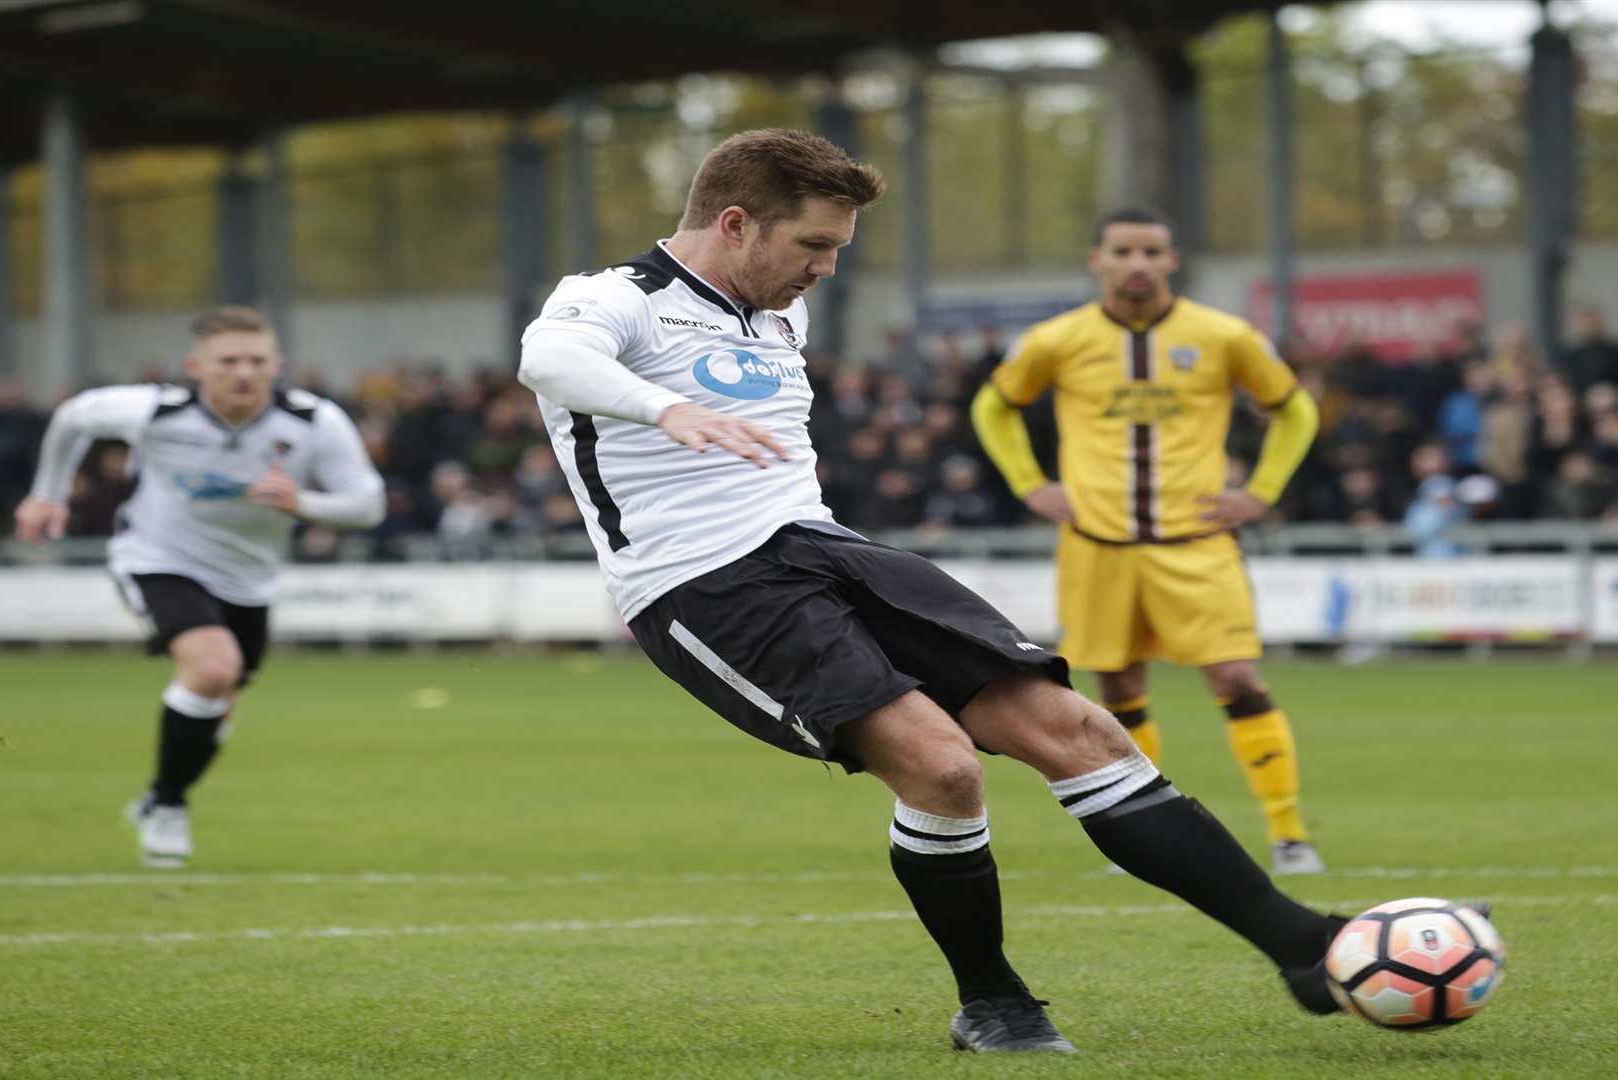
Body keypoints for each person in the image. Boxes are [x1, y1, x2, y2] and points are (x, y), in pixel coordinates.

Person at [516, 130, 1366, 1053]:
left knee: (1079, 730)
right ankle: (994, 1002)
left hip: (825, 545)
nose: (828, 269)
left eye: (838, 249)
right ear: (735, 224)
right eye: (814, 246)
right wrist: (665, 408)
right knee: (945, 768)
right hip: (706, 586)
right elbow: (548, 363)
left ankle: (1305, 946)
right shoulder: (613, 300)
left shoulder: (779, 313)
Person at [969, 207, 1328, 875]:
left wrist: (1263, 491)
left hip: (1194, 542)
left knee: (1236, 676)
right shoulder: (1057, 339)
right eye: (1123, 250)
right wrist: (1028, 483)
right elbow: (993, 405)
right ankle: (1147, 834)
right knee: (1118, 686)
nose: (1137, 262)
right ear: (1096, 259)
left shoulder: (1224, 336)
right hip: (1097, 544)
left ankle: (1288, 834)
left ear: (1172, 261)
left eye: (1151, 251)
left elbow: (1295, 407)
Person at [14, 306, 386, 867]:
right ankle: (167, 806)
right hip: (158, 558)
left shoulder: (314, 422)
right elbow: (74, 416)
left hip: (250, 579)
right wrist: (49, 494)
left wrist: (302, 502)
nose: (244, 372)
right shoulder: (156, 412)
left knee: (220, 704)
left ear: (277, 365)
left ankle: (158, 800)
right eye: (228, 361)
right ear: (196, 366)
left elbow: (368, 505)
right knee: (213, 669)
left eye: (257, 360)